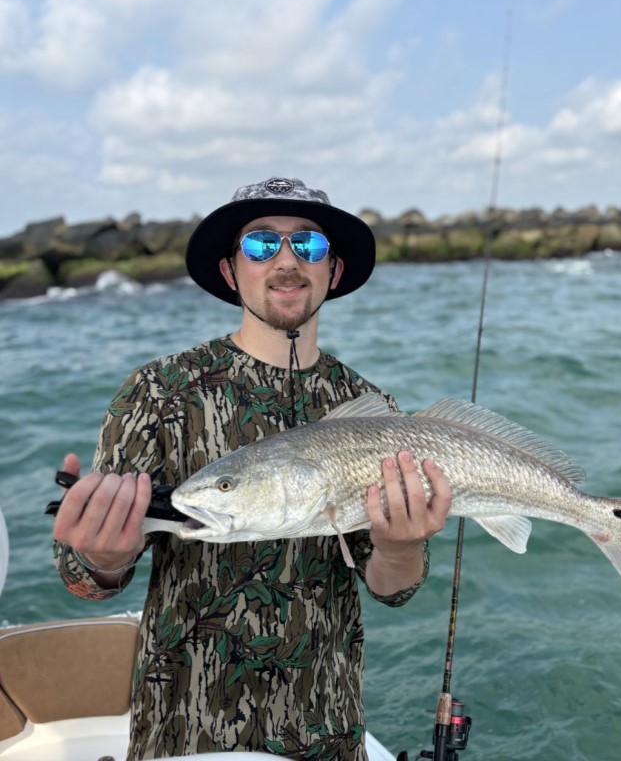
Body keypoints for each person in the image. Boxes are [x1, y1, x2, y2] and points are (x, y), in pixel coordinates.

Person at [52, 177, 452, 761]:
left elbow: (394, 589)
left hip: (328, 730)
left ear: (334, 270)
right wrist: (102, 559)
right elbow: (80, 580)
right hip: (184, 729)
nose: (287, 261)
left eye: (309, 244)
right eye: (261, 244)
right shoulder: (159, 391)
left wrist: (400, 548)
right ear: (230, 270)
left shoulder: (370, 408)